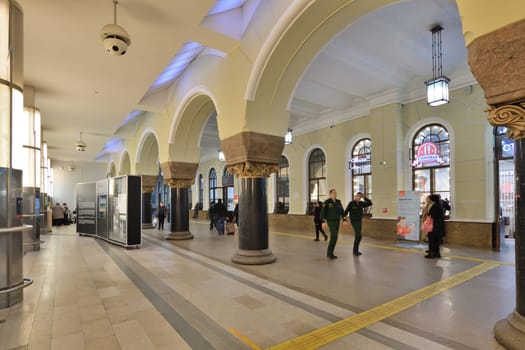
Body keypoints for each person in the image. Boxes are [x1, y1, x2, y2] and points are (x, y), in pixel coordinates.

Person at [320, 189, 347, 259]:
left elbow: (342, 211)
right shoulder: (327, 202)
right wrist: (323, 221)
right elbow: (323, 212)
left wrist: (344, 219)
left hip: (337, 221)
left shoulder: (338, 202)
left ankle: (331, 253)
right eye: (333, 193)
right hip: (330, 221)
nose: (335, 194)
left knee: (335, 237)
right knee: (334, 235)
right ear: (330, 194)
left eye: (335, 193)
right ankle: (329, 253)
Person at [344, 192, 372, 256]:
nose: (359, 197)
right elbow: (346, 211)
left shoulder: (361, 203)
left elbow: (370, 203)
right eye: (358, 196)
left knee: (359, 236)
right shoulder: (351, 203)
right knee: (358, 234)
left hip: (359, 221)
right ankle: (355, 251)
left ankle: (356, 250)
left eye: (360, 196)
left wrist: (364, 197)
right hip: (354, 221)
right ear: (355, 196)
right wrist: (344, 219)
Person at [425, 194, 445, 259]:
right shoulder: (438, 204)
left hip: (434, 225)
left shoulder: (435, 206)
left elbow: (433, 215)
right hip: (438, 225)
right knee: (436, 240)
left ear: (432, 199)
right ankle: (437, 253)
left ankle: (432, 254)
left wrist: (428, 214)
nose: (427, 199)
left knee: (432, 239)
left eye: (428, 198)